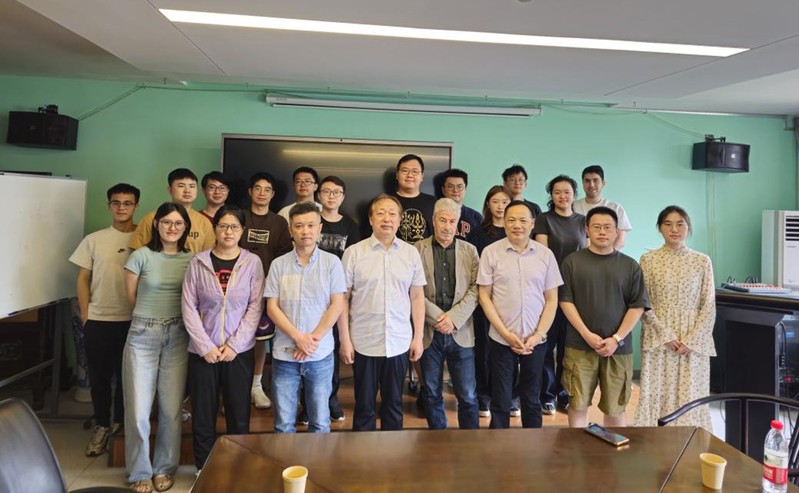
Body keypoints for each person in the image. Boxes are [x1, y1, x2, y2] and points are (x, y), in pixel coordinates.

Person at [182, 205, 264, 472]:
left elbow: (255, 307)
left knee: (238, 414)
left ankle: (238, 469)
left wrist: (234, 345)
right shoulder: (198, 262)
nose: (229, 232)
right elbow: (188, 306)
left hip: (238, 352)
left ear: (242, 231)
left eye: (234, 227)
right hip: (202, 352)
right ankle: (203, 470)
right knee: (203, 415)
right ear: (215, 229)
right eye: (223, 226)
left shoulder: (252, 263)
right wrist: (205, 346)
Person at [122, 202, 193, 493]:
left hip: (178, 334)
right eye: (166, 222)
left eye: (178, 223)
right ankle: (139, 472)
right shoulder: (140, 255)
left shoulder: (192, 259)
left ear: (186, 227)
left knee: (171, 409)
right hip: (142, 333)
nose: (172, 228)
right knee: (138, 409)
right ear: (156, 224)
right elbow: (130, 297)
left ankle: (164, 468)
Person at [340, 194, 426, 431]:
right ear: (371, 219)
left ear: (399, 220)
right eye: (380, 213)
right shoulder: (354, 253)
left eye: (392, 214)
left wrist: (418, 337)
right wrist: (345, 340)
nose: (386, 219)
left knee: (394, 406)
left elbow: (417, 297)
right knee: (364, 406)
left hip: (398, 341)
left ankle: (392, 452)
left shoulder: (410, 253)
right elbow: (342, 299)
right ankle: (363, 452)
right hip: (363, 341)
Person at [559, 206, 649, 428]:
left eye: (608, 227)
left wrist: (616, 338)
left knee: (615, 407)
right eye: (597, 227)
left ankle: (612, 449)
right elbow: (565, 301)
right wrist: (586, 334)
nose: (602, 232)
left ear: (617, 231)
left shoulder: (630, 265)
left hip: (618, 348)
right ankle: (578, 448)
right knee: (577, 403)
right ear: (587, 230)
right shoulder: (572, 262)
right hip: (579, 345)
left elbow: (637, 306)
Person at [69, 183, 140, 457]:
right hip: (99, 319)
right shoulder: (94, 239)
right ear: (109, 205)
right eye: (116, 203)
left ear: (136, 207)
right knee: (99, 377)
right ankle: (101, 424)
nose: (121, 207)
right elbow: (82, 279)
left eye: (127, 203)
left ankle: (120, 424)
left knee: (127, 378)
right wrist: (86, 314)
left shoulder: (143, 239)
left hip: (133, 320)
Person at [477, 200, 562, 429]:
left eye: (523, 220)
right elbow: (484, 296)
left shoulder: (545, 255)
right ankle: (498, 445)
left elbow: (552, 299)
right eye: (511, 220)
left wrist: (538, 335)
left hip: (535, 340)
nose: (517, 225)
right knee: (501, 400)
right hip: (501, 338)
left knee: (532, 399)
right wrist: (505, 334)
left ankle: (531, 447)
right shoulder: (490, 253)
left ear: (532, 224)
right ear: (504, 223)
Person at [265, 202, 346, 433]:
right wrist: (298, 338)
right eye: (299, 226)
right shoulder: (278, 265)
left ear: (320, 228)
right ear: (290, 230)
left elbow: (337, 304)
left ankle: (317, 460)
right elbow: (272, 307)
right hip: (285, 354)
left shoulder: (332, 263)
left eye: (311, 225)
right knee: (283, 424)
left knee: (320, 422)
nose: (305, 231)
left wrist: (312, 340)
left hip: (320, 354)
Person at [634, 206, 716, 430]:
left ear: (688, 228)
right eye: (668, 224)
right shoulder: (648, 259)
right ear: (660, 228)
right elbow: (643, 302)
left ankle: (690, 441)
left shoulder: (702, 261)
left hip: (693, 339)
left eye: (680, 224)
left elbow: (708, 304)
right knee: (657, 392)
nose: (674, 229)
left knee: (690, 392)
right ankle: (654, 442)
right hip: (658, 336)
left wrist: (692, 340)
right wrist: (665, 335)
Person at [415, 198, 480, 430]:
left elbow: (476, 289)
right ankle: (438, 437)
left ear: (458, 224)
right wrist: (439, 318)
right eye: (442, 220)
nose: (447, 226)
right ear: (433, 221)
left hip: (461, 332)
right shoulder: (416, 250)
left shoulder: (470, 251)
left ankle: (470, 441)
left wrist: (453, 318)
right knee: (431, 393)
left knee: (468, 395)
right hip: (428, 332)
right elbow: (412, 290)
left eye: (452, 221)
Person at [532, 175, 587, 415]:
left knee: (568, 347)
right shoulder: (544, 220)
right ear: (551, 196)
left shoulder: (583, 221)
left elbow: (587, 255)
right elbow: (543, 255)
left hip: (575, 292)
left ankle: (564, 394)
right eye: (557, 192)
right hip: (549, 290)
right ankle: (546, 395)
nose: (562, 196)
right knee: (546, 345)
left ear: (574, 194)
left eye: (566, 192)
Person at [240, 172, 293, 409]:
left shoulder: (279, 223)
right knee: (237, 336)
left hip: (266, 289)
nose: (262, 193)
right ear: (250, 192)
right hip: (236, 290)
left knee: (260, 339)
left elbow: (284, 256)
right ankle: (238, 387)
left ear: (273, 194)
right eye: (257, 188)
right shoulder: (239, 216)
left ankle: (256, 385)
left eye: (267, 189)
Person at [315, 175, 361, 421]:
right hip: (311, 296)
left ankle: (331, 401)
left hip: (338, 297)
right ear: (318, 195)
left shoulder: (351, 226)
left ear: (343, 197)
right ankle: (308, 405)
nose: (331, 196)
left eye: (336, 192)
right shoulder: (312, 221)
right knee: (310, 350)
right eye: (326, 191)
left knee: (332, 353)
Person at [473, 185, 513, 417]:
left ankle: (510, 397)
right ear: (488, 204)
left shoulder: (515, 232)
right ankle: (484, 397)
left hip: (510, 299)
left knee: (509, 348)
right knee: (485, 349)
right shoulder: (478, 232)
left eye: (505, 202)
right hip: (485, 299)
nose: (500, 206)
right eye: (496, 202)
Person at [130, 168, 215, 253]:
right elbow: (136, 252)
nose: (187, 190)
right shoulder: (151, 219)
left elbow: (208, 256)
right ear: (170, 190)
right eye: (181, 186)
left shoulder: (204, 223)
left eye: (192, 186)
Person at [572, 165, 632, 250]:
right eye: (587, 181)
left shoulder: (615, 208)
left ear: (603, 183)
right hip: (578, 255)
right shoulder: (573, 206)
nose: (591, 185)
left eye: (595, 180)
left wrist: (606, 255)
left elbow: (620, 240)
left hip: (608, 256)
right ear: (583, 183)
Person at [393, 154, 436, 244]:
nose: (409, 175)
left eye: (415, 171)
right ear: (397, 175)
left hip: (425, 252)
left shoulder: (433, 203)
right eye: (405, 171)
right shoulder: (386, 202)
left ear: (422, 176)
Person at [439, 168, 483, 246]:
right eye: (450, 186)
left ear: (465, 189)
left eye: (459, 187)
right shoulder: (435, 213)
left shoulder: (476, 217)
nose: (455, 190)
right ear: (443, 190)